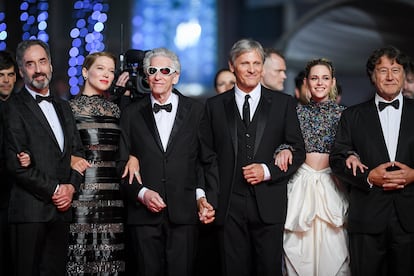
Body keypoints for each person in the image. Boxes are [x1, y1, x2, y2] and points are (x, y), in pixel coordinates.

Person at [199, 38, 305, 276]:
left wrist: (267, 170)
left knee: (269, 270)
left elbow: (298, 151)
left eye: (257, 63)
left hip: (269, 204)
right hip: (228, 206)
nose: (252, 69)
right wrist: (206, 196)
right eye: (245, 63)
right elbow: (206, 155)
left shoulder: (283, 103)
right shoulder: (214, 106)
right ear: (232, 66)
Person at [118, 47, 215, 276]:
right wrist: (142, 193)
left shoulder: (196, 111)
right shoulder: (131, 114)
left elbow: (204, 160)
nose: (158, 76)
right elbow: (120, 163)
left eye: (164, 70)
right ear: (146, 76)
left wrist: (201, 198)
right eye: (152, 70)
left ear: (176, 76)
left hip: (184, 214)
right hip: (143, 217)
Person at [2, 39, 84, 276]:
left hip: (61, 213)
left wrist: (71, 187)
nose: (38, 69)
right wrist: (57, 189)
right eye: (30, 64)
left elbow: (77, 153)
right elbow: (16, 166)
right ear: (21, 71)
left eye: (42, 61)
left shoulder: (64, 107)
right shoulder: (12, 108)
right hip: (29, 212)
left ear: (51, 65)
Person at [330, 45, 414, 276]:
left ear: (404, 75)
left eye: (395, 70)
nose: (389, 76)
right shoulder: (352, 115)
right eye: (383, 70)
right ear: (372, 75)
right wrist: (368, 177)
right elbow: (337, 160)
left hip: (410, 218)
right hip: (367, 217)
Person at [275, 58, 363, 275]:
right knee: (297, 248)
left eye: (325, 78)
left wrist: (353, 155)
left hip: (332, 183)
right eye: (314, 78)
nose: (320, 82)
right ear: (306, 82)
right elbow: (283, 140)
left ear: (333, 82)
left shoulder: (345, 114)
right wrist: (283, 149)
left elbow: (352, 145)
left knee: (334, 248)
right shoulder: (295, 112)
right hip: (300, 183)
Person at [66, 51, 127, 275]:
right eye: (100, 68)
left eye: (111, 70)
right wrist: (70, 158)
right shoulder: (67, 109)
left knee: (111, 258)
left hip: (113, 195)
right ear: (84, 72)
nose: (107, 74)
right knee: (81, 254)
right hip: (81, 195)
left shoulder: (119, 110)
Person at [0, 50, 18, 276]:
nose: (6, 80)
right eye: (1, 75)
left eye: (10, 75)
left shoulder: (24, 106)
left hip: (18, 194)